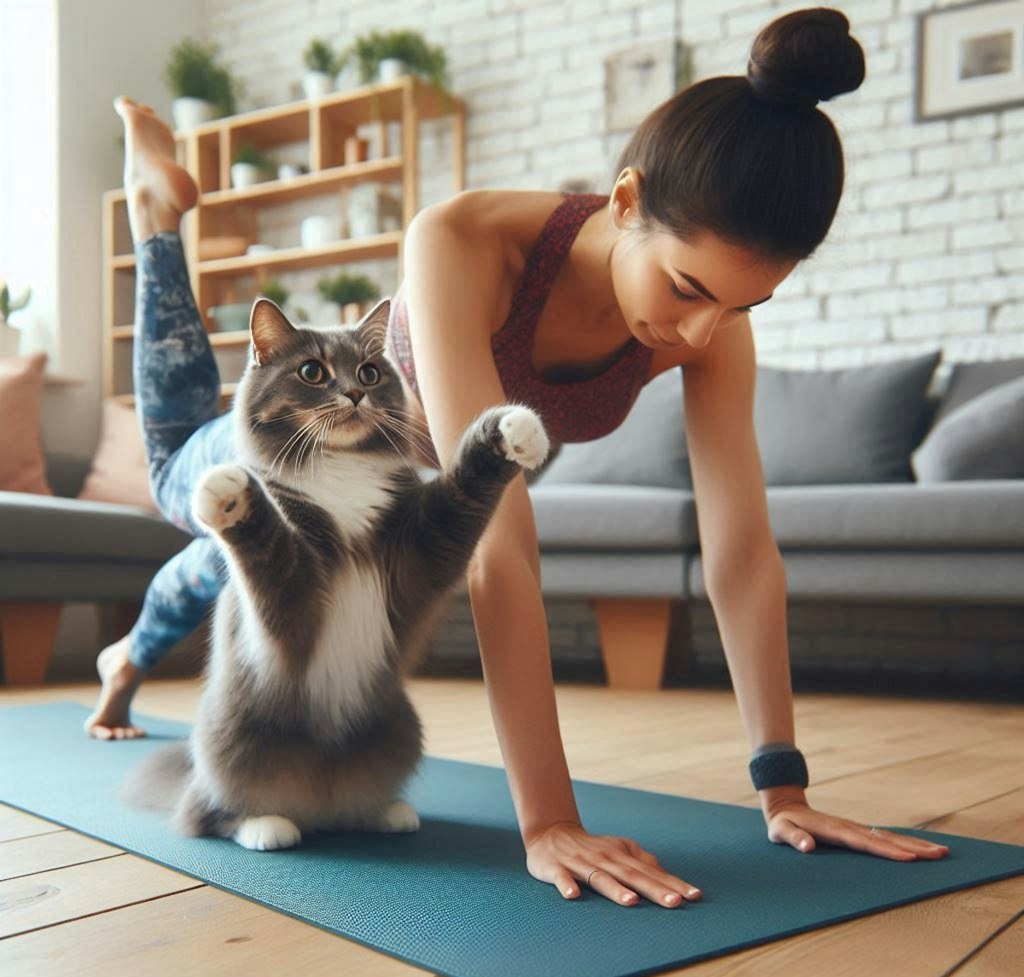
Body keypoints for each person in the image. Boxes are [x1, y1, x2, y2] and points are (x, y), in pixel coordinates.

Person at [88, 8, 950, 905]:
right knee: (170, 474)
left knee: (232, 569)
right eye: (689, 289)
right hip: (301, 452)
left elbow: (740, 553)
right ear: (625, 203)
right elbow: (500, 543)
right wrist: (547, 821)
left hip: (364, 509)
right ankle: (155, 214)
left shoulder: (710, 330)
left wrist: (783, 785)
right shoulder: (462, 242)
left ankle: (126, 660)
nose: (704, 330)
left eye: (744, 307)